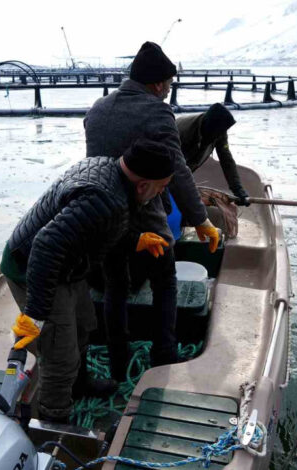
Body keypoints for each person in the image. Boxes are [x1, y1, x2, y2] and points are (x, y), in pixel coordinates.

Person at [0, 138, 174, 423]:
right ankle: (53, 421)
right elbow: (46, 246)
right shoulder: (107, 199)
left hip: (68, 266)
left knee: (84, 325)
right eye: (162, 187)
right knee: (60, 355)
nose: (162, 193)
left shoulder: (108, 167)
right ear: (143, 185)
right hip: (33, 267)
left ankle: (79, 387)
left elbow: (90, 227)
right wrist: (36, 315)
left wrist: (134, 240)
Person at [83, 41, 220, 377]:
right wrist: (202, 221)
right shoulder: (158, 111)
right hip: (146, 217)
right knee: (165, 281)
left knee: (116, 284)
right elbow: (177, 171)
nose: (168, 92)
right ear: (159, 84)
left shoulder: (97, 108)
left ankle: (117, 362)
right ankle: (163, 355)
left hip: (104, 212)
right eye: (169, 86)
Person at [176, 103, 250, 204]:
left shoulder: (219, 131)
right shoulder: (185, 132)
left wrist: (238, 189)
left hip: (185, 167)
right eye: (217, 133)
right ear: (209, 126)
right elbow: (177, 168)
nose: (219, 136)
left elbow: (226, 160)